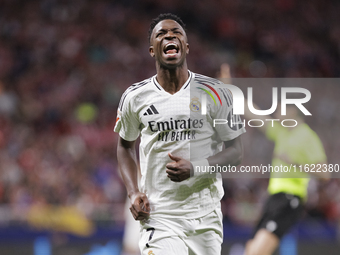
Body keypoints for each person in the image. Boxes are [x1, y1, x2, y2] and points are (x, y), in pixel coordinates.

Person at [114, 13, 246, 255]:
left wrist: (195, 167)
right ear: (152, 50)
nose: (169, 35)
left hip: (205, 215)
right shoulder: (135, 97)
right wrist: (133, 191)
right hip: (159, 213)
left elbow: (236, 152)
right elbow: (124, 146)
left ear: (186, 46)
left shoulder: (215, 93)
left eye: (176, 32)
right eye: (161, 34)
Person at [243, 103, 330, 255]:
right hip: (273, 199)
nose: (276, 113)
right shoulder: (282, 132)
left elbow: (325, 174)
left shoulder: (307, 136)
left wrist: (294, 163)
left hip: (289, 199)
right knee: (250, 250)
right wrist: (229, 90)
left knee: (257, 252)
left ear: (293, 110)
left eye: (280, 109)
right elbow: (255, 115)